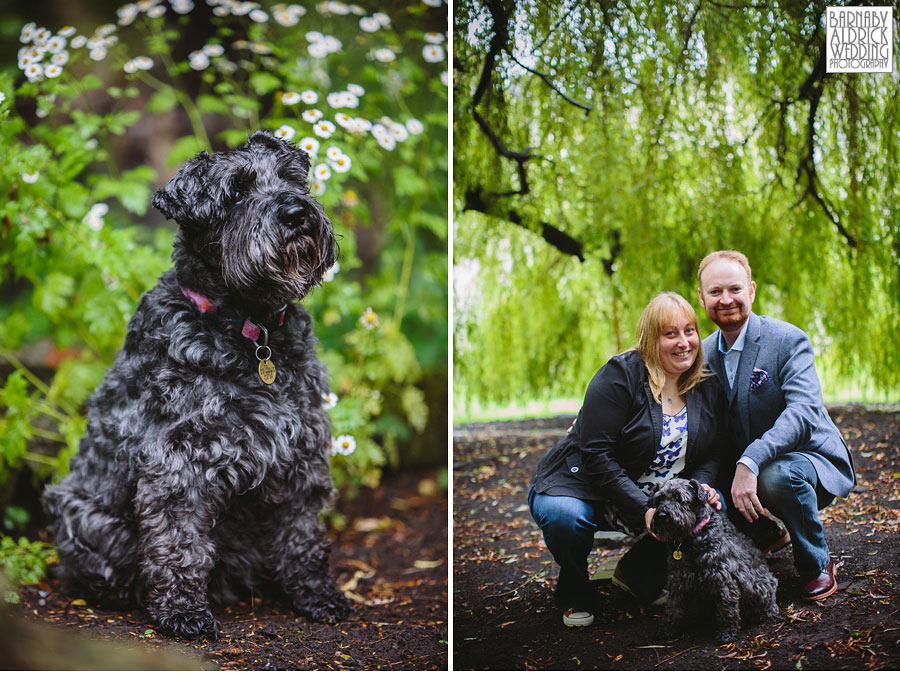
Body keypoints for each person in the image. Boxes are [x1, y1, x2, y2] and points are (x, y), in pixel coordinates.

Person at [529, 292, 726, 627]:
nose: (684, 342)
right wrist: (643, 508)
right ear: (650, 339)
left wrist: (704, 487)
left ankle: (635, 574)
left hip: (653, 496)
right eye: (670, 334)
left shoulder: (706, 384)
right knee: (565, 517)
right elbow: (596, 455)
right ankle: (575, 591)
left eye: (690, 331)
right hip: (587, 486)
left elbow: (711, 451)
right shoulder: (620, 376)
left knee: (716, 505)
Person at [697, 250, 855, 602]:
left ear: (751, 291)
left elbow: (803, 412)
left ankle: (816, 562)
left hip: (807, 460)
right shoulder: (702, 354)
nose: (726, 300)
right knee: (700, 481)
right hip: (745, 466)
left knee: (776, 476)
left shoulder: (787, 340)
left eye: (734, 289)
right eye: (715, 292)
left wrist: (750, 460)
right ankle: (765, 531)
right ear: (702, 298)